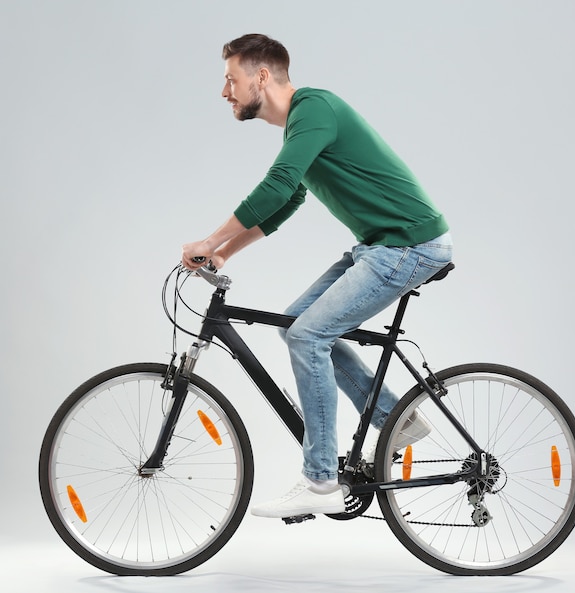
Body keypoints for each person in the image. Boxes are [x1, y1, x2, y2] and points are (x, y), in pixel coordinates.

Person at [182, 34, 453, 519]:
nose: (225, 92)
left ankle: (320, 480)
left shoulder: (315, 109)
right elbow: (289, 201)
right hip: (382, 246)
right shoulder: (301, 127)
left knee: (308, 338)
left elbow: (279, 184)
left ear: (261, 76)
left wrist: (208, 240)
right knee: (296, 325)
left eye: (230, 79)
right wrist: (225, 253)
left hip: (408, 246)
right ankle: (396, 419)